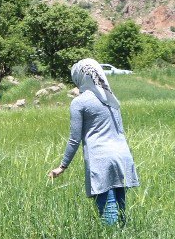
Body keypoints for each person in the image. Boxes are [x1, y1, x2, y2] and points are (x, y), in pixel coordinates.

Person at [48, 58, 140, 225]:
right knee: (121, 208)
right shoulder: (111, 98)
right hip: (122, 155)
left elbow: (74, 139)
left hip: (101, 158)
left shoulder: (79, 102)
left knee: (108, 208)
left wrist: (62, 166)